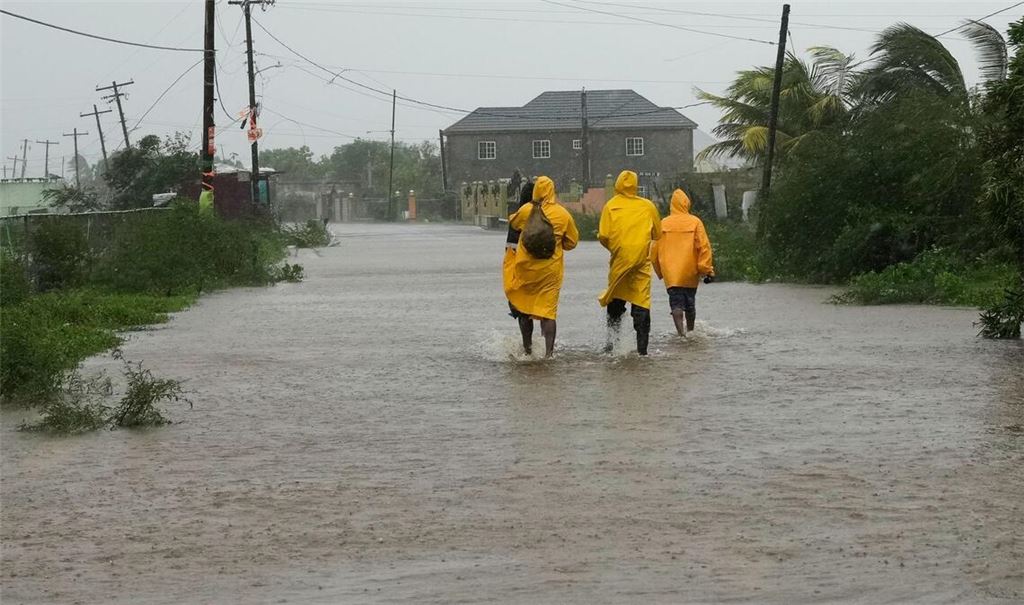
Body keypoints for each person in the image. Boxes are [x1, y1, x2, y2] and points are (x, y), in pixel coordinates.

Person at [505, 176, 579, 357]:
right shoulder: (562, 214)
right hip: (550, 272)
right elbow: (572, 242)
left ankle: (527, 350)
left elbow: (514, 224)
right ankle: (549, 354)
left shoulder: (527, 210)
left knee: (524, 309)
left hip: (526, 270)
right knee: (548, 313)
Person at [597, 170, 662, 356]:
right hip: (641, 262)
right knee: (641, 302)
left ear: (617, 184)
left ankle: (611, 346)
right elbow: (657, 234)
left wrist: (617, 248)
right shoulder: (648, 206)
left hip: (619, 260)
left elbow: (603, 236)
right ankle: (642, 351)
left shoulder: (610, 206)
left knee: (615, 300)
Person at [652, 188, 715, 337]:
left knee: (676, 303)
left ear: (671, 205)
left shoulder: (663, 223)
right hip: (690, 271)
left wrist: (661, 272)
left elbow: (653, 251)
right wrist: (706, 269)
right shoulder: (695, 222)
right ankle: (691, 331)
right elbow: (704, 247)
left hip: (671, 273)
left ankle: (681, 334)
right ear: (687, 203)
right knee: (690, 303)